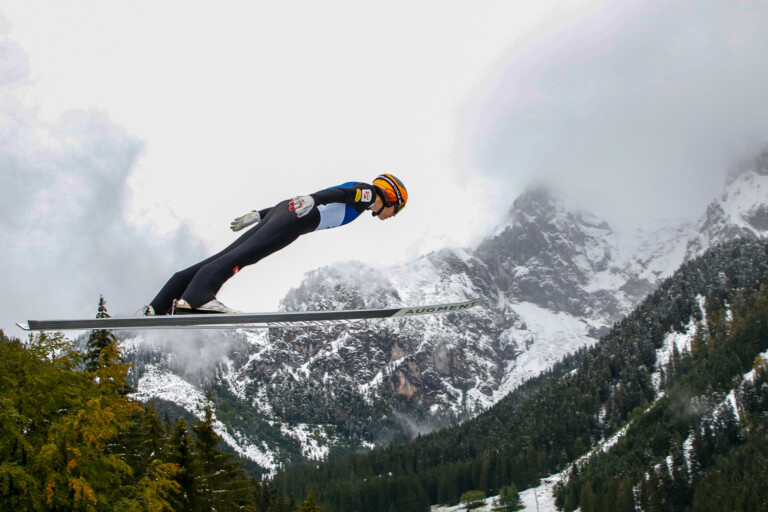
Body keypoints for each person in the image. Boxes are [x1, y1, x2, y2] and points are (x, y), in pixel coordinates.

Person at [145, 174, 408, 315]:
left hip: (287, 212)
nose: (394, 215)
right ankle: (197, 297)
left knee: (230, 254)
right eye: (398, 207)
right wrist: (312, 199)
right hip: (297, 218)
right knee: (244, 255)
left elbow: (325, 199)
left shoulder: (364, 201)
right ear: (391, 196)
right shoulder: (369, 195)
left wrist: (260, 214)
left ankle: (162, 304)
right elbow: (341, 195)